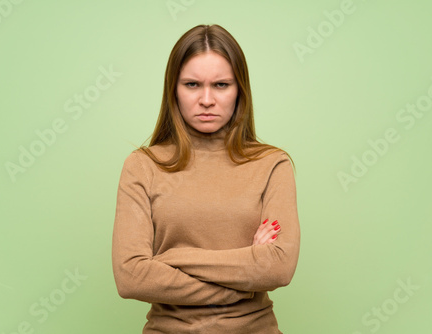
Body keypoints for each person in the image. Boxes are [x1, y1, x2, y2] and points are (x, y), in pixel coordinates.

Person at [112, 24, 301, 334]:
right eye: (192, 84)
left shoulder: (272, 164)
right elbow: (130, 276)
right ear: (173, 88)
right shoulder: (142, 166)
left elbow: (278, 268)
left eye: (222, 85)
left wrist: (173, 259)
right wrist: (247, 273)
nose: (207, 99)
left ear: (240, 89)